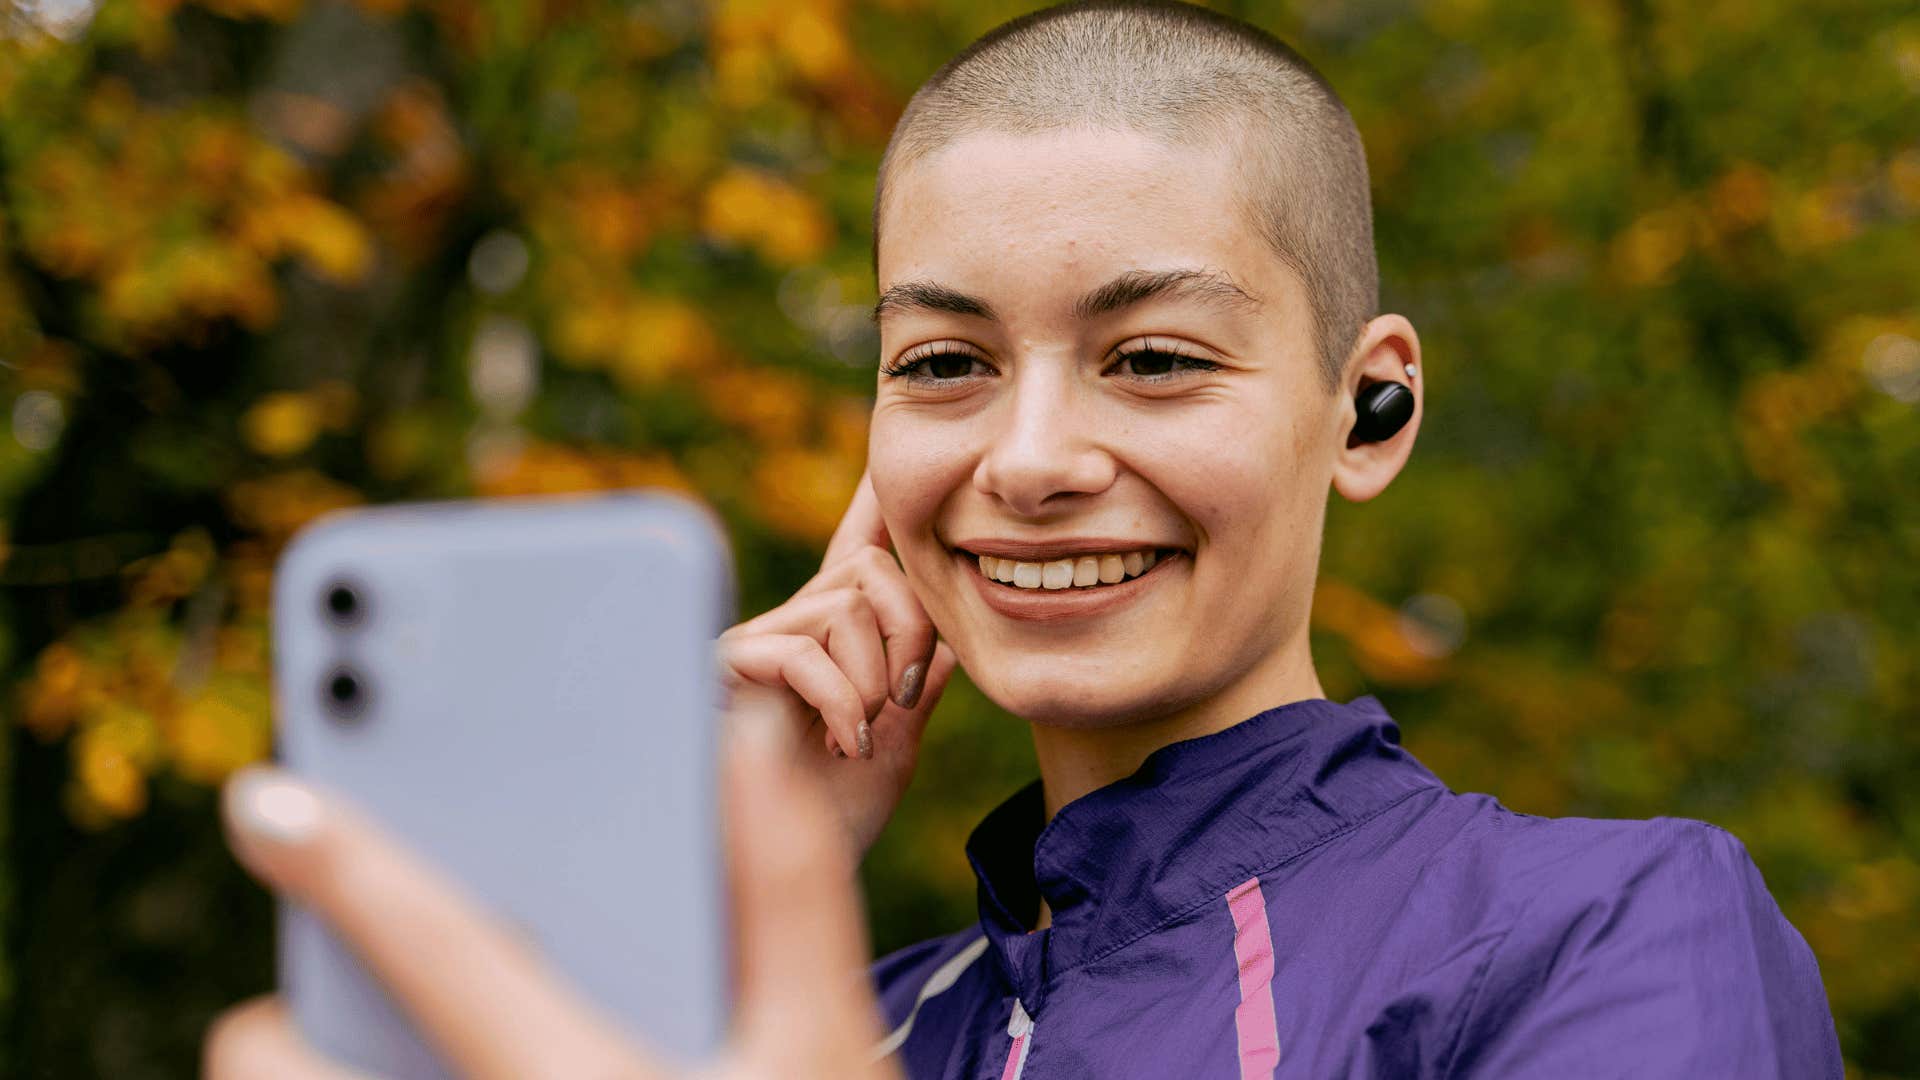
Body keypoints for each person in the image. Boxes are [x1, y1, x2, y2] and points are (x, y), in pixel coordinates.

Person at [205, 2, 1843, 1077]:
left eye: (1153, 359)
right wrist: (684, 920)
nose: (1034, 456)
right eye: (944, 366)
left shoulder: (1601, 928)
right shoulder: (849, 1026)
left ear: (1371, 410)